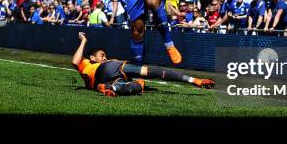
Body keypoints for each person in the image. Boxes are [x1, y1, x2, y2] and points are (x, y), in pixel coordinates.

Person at [71, 32, 213, 97]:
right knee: (152, 71)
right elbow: (75, 61)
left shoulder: (87, 67)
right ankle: (194, 80)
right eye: (102, 55)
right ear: (92, 57)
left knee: (137, 85)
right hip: (112, 68)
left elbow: (75, 62)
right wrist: (83, 41)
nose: (105, 56)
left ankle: (112, 88)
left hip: (102, 82)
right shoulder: (89, 63)